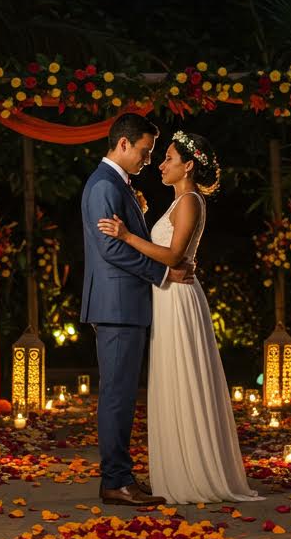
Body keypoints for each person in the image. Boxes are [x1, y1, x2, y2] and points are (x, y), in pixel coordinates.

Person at [98, 130, 260, 503]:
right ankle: (176, 471)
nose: (161, 164)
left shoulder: (190, 200)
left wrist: (125, 235)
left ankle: (194, 472)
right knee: (170, 378)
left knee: (183, 377)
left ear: (188, 165)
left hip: (179, 298)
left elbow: (172, 257)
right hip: (167, 296)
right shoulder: (178, 202)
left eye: (168, 158)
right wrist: (138, 217)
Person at [80, 113, 194, 507]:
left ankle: (122, 475)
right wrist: (165, 273)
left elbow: (126, 238)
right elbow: (109, 248)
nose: (148, 160)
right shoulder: (103, 185)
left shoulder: (119, 184)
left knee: (124, 395)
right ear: (123, 144)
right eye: (145, 152)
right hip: (116, 306)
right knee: (117, 396)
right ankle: (115, 481)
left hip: (125, 304)